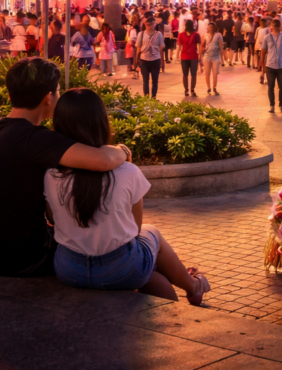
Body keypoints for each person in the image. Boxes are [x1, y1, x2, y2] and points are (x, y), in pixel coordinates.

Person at [0, 58, 128, 277]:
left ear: (11, 94)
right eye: (58, 91)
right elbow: (102, 161)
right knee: (111, 254)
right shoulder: (35, 140)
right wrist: (124, 151)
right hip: (23, 258)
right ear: (48, 98)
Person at [44, 88, 210, 303]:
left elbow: (53, 220)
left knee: (152, 272)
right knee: (152, 235)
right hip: (121, 270)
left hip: (69, 270)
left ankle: (188, 286)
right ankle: (193, 286)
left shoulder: (51, 174)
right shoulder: (127, 171)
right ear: (101, 122)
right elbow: (135, 230)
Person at [260, 18, 282, 113]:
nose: (276, 27)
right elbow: (263, 52)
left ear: (280, 27)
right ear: (272, 26)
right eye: (274, 25)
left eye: (278, 25)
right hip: (270, 65)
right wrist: (262, 67)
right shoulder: (267, 38)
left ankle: (281, 104)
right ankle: (272, 105)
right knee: (270, 86)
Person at [136, 17, 165, 98]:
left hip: (155, 60)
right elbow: (138, 49)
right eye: (153, 24)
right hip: (144, 60)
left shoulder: (158, 34)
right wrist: (137, 61)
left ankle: (153, 97)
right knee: (145, 81)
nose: (154, 25)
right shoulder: (140, 34)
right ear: (149, 25)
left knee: (154, 81)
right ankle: (146, 98)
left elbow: (161, 48)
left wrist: (162, 62)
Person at [176, 19, 201, 97]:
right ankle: (192, 90)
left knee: (185, 74)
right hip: (193, 56)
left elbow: (179, 46)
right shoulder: (196, 34)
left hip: (184, 56)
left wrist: (177, 55)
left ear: (186, 26)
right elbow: (199, 46)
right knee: (193, 74)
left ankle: (186, 90)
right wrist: (199, 55)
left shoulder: (181, 34)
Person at [201, 21, 223, 96]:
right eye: (209, 26)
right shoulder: (205, 35)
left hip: (216, 56)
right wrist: (200, 56)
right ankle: (208, 88)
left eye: (211, 26)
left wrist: (222, 58)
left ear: (214, 27)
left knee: (215, 73)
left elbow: (221, 46)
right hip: (207, 56)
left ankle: (214, 87)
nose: (210, 28)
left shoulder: (218, 35)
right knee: (207, 73)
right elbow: (202, 46)